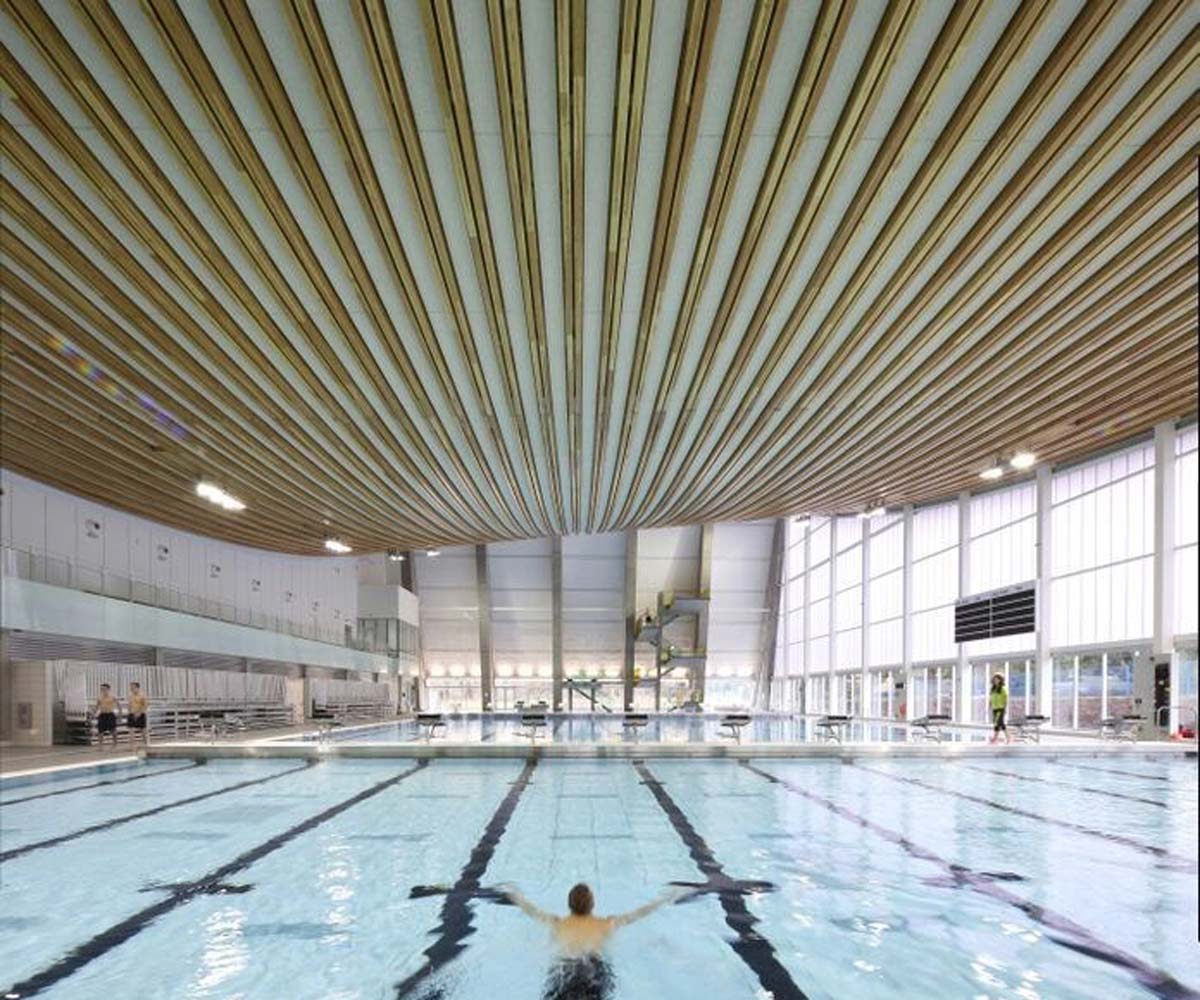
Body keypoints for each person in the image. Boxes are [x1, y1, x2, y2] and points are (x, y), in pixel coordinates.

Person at [501, 882, 690, 999]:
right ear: (592, 904)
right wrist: (665, 899)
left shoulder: (557, 923)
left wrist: (514, 895)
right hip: (593, 969)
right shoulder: (606, 924)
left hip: (565, 970)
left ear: (569, 904)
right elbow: (639, 914)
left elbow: (530, 910)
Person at [94, 683, 120, 750]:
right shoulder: (99, 698)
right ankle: (100, 746)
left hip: (110, 715)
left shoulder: (113, 697)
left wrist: (120, 716)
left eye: (104, 689)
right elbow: (96, 707)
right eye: (101, 689)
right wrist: (93, 713)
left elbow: (119, 706)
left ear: (108, 689)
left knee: (113, 731)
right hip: (102, 715)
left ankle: (115, 744)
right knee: (100, 731)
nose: (103, 690)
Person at [989, 673, 1010, 744]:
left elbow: (1006, 699)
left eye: (997, 679)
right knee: (1000, 723)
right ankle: (1007, 737)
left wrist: (1005, 708)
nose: (995, 680)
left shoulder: (1003, 689)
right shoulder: (993, 689)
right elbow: (991, 698)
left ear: (1001, 680)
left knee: (998, 723)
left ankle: (995, 738)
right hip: (995, 708)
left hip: (1001, 708)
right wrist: (989, 706)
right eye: (994, 679)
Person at [127, 681, 149, 746]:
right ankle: (132, 745)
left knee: (143, 730)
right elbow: (129, 704)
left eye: (133, 687)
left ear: (137, 687)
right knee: (131, 729)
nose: (131, 688)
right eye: (131, 687)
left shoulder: (142, 696)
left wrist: (139, 712)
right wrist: (130, 712)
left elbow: (145, 705)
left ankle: (145, 744)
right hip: (132, 713)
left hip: (140, 714)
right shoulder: (130, 696)